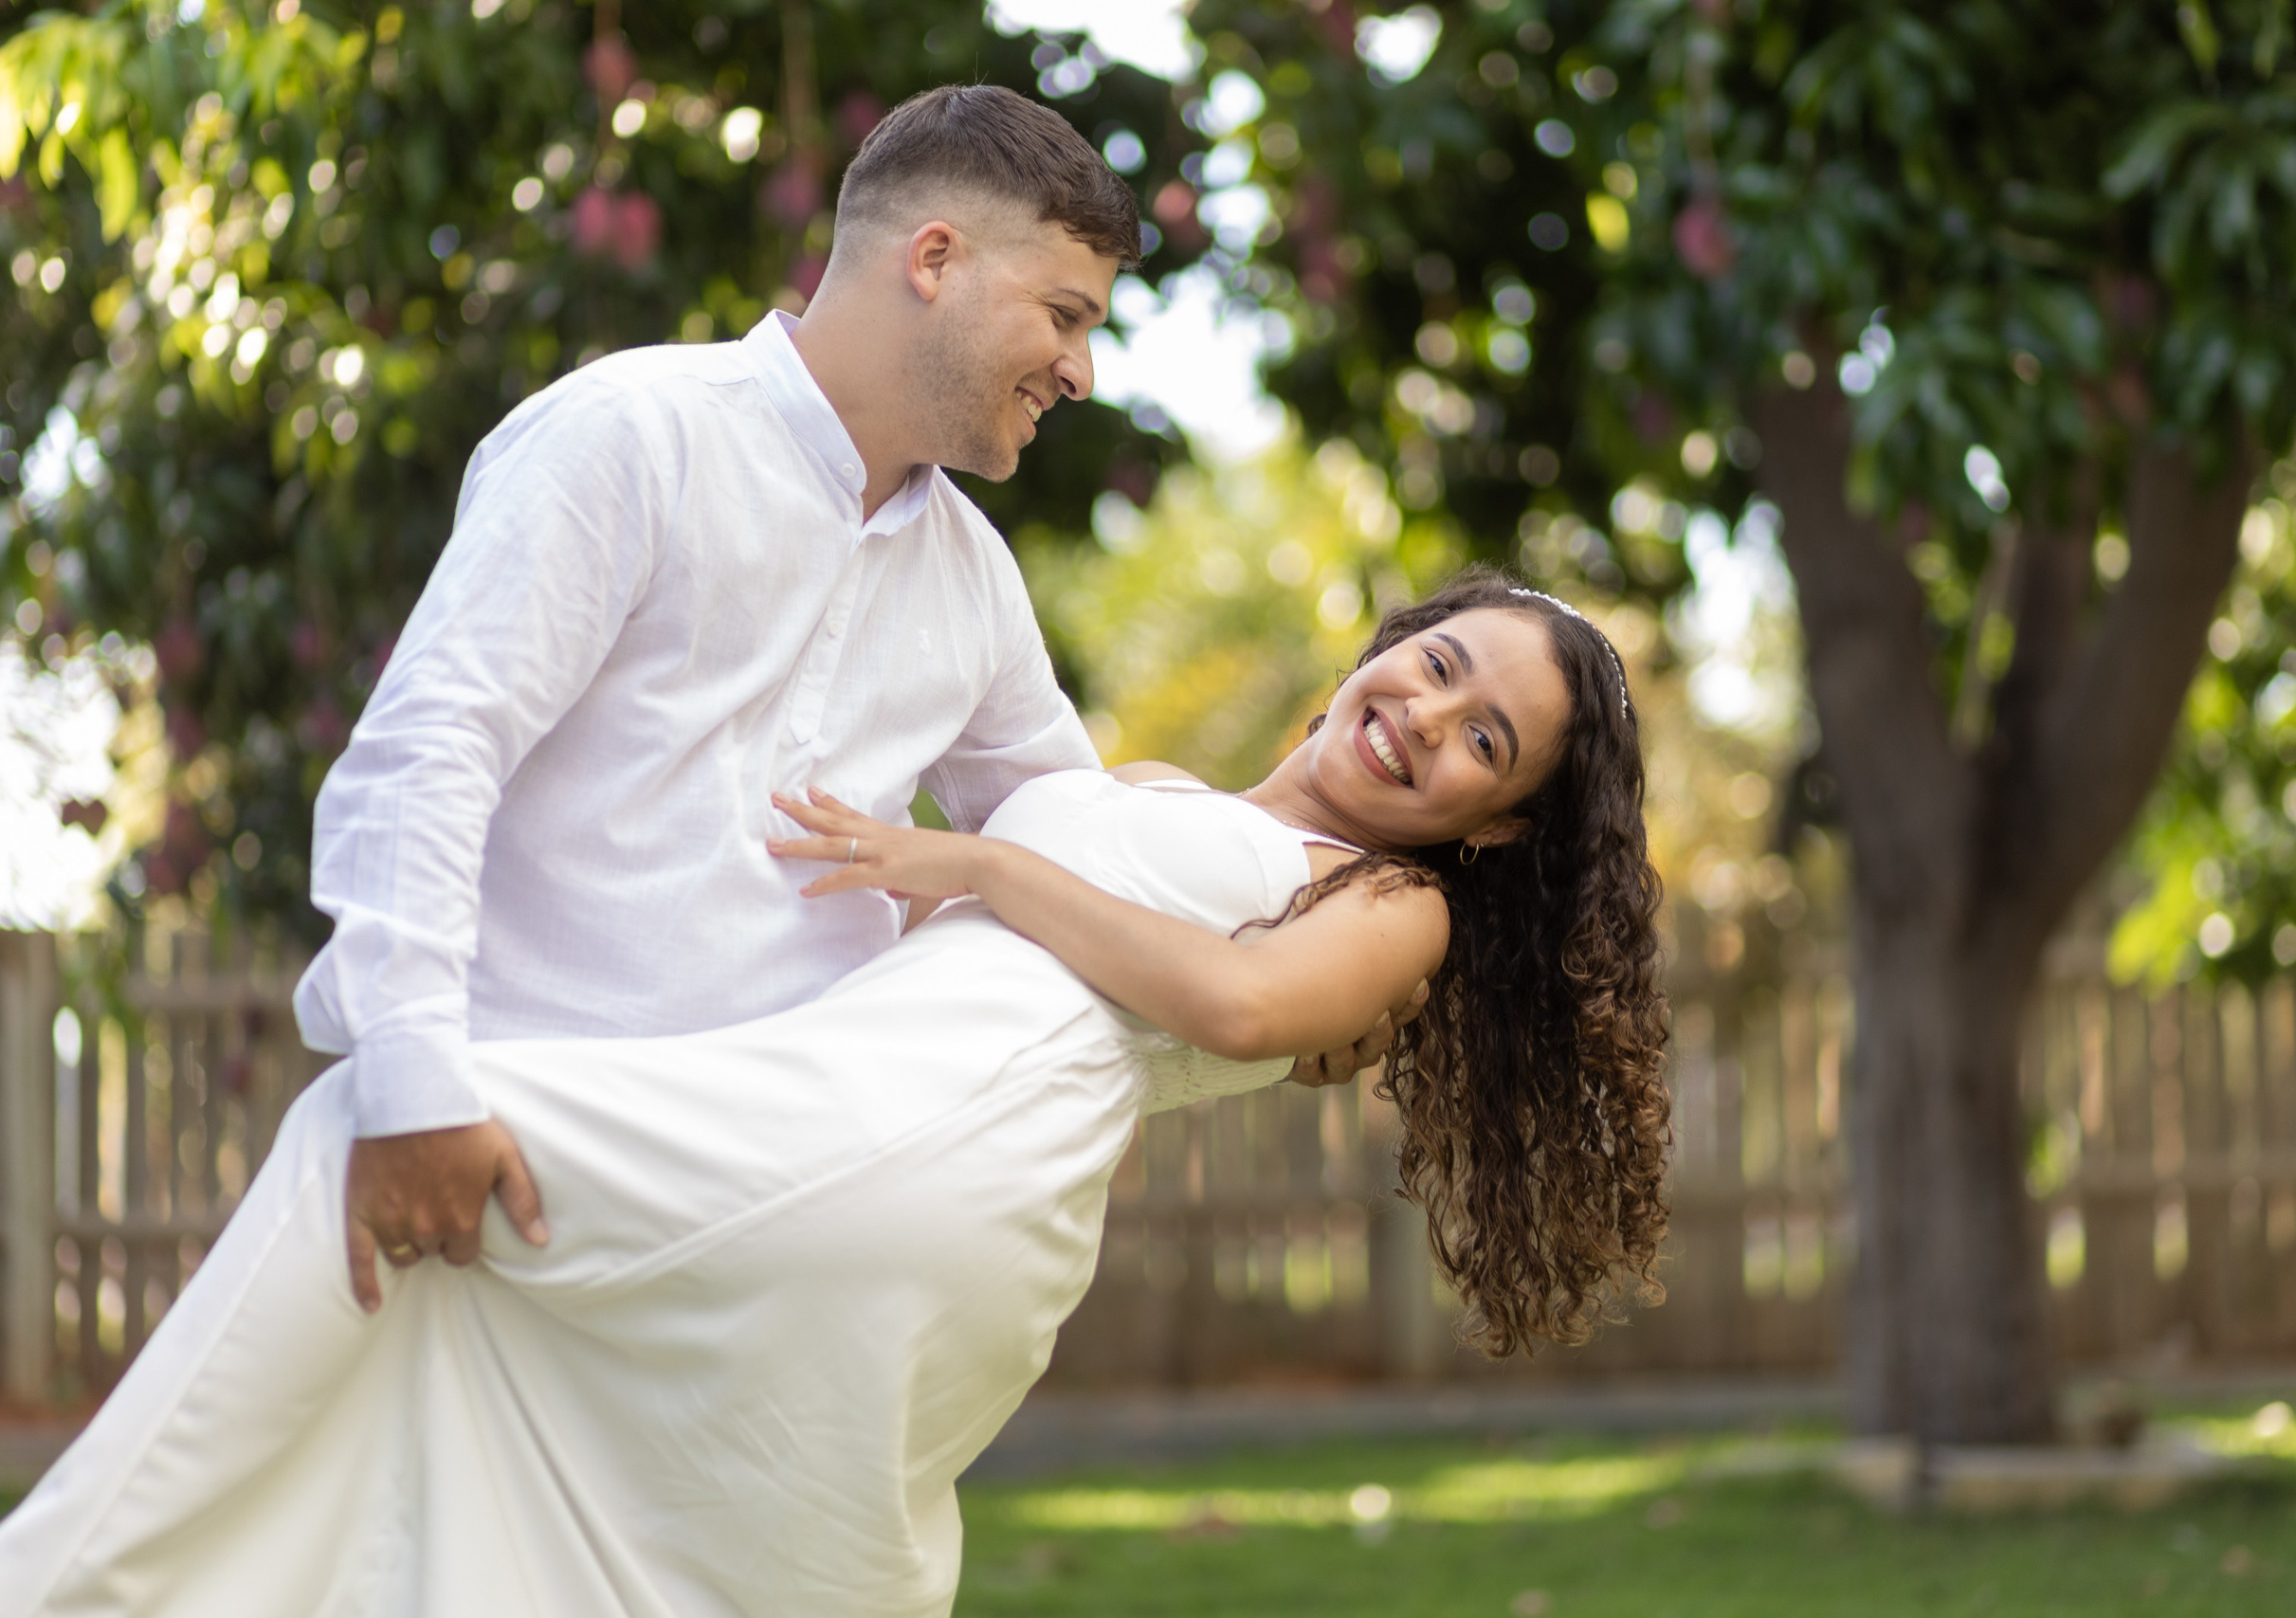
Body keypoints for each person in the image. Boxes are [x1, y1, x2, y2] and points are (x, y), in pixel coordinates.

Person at [0, 572, 1670, 1618]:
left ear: (1496, 828)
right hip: (860, 1109)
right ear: (1386, 644)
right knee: (530, 1392)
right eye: (1441, 666)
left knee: (364, 1139)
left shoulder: (1397, 907)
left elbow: (1231, 1004)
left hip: (932, 1159)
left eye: (1485, 745)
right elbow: (932, 922)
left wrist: (979, 863)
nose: (1431, 719)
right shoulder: (1143, 791)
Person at [290, 82, 1396, 1317]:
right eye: (1065, 315)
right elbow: (430, 753)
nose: (1080, 371)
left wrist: (1298, 988)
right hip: (500, 1170)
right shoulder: (632, 438)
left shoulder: (973, 577)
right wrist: (413, 1088)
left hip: (782, 1227)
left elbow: (1090, 853)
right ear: (935, 259)